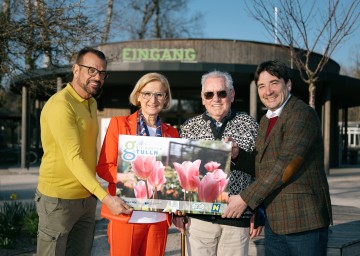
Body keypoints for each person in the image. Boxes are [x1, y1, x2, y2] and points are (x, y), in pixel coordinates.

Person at [222, 60, 333, 256]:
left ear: (287, 85)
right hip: (276, 222)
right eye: (262, 86)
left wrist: (245, 199)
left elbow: (286, 165)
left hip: (304, 221)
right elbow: (262, 164)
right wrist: (237, 155)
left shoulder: (302, 114)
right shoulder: (266, 120)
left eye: (274, 83)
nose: (268, 91)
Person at [35, 47, 131, 255]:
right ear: (76, 69)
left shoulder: (91, 102)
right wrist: (105, 197)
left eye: (102, 73)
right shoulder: (61, 105)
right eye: (92, 70)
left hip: (86, 200)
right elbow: (73, 157)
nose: (98, 77)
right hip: (58, 200)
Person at [177, 70, 262, 256]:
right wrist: (177, 212)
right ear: (202, 98)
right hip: (198, 221)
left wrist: (258, 210)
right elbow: (179, 176)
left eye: (222, 93)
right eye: (209, 94)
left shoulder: (250, 126)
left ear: (232, 94)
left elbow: (262, 170)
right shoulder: (188, 128)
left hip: (237, 218)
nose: (216, 99)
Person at [96, 72, 179, 256]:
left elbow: (175, 177)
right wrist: (135, 178)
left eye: (159, 94)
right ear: (138, 96)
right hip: (127, 214)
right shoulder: (119, 125)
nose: (153, 99)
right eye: (147, 93)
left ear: (165, 99)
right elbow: (103, 167)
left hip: (158, 218)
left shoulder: (172, 133)